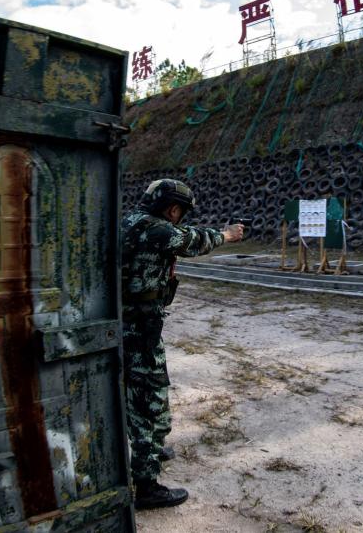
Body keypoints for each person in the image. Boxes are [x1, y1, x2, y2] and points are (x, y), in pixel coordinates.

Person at [120, 179, 243, 509]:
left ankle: (152, 450)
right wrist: (228, 235)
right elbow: (193, 240)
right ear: (172, 209)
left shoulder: (129, 221)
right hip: (140, 332)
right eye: (180, 212)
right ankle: (146, 485)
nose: (180, 217)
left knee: (147, 397)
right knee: (148, 403)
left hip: (133, 327)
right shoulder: (156, 229)